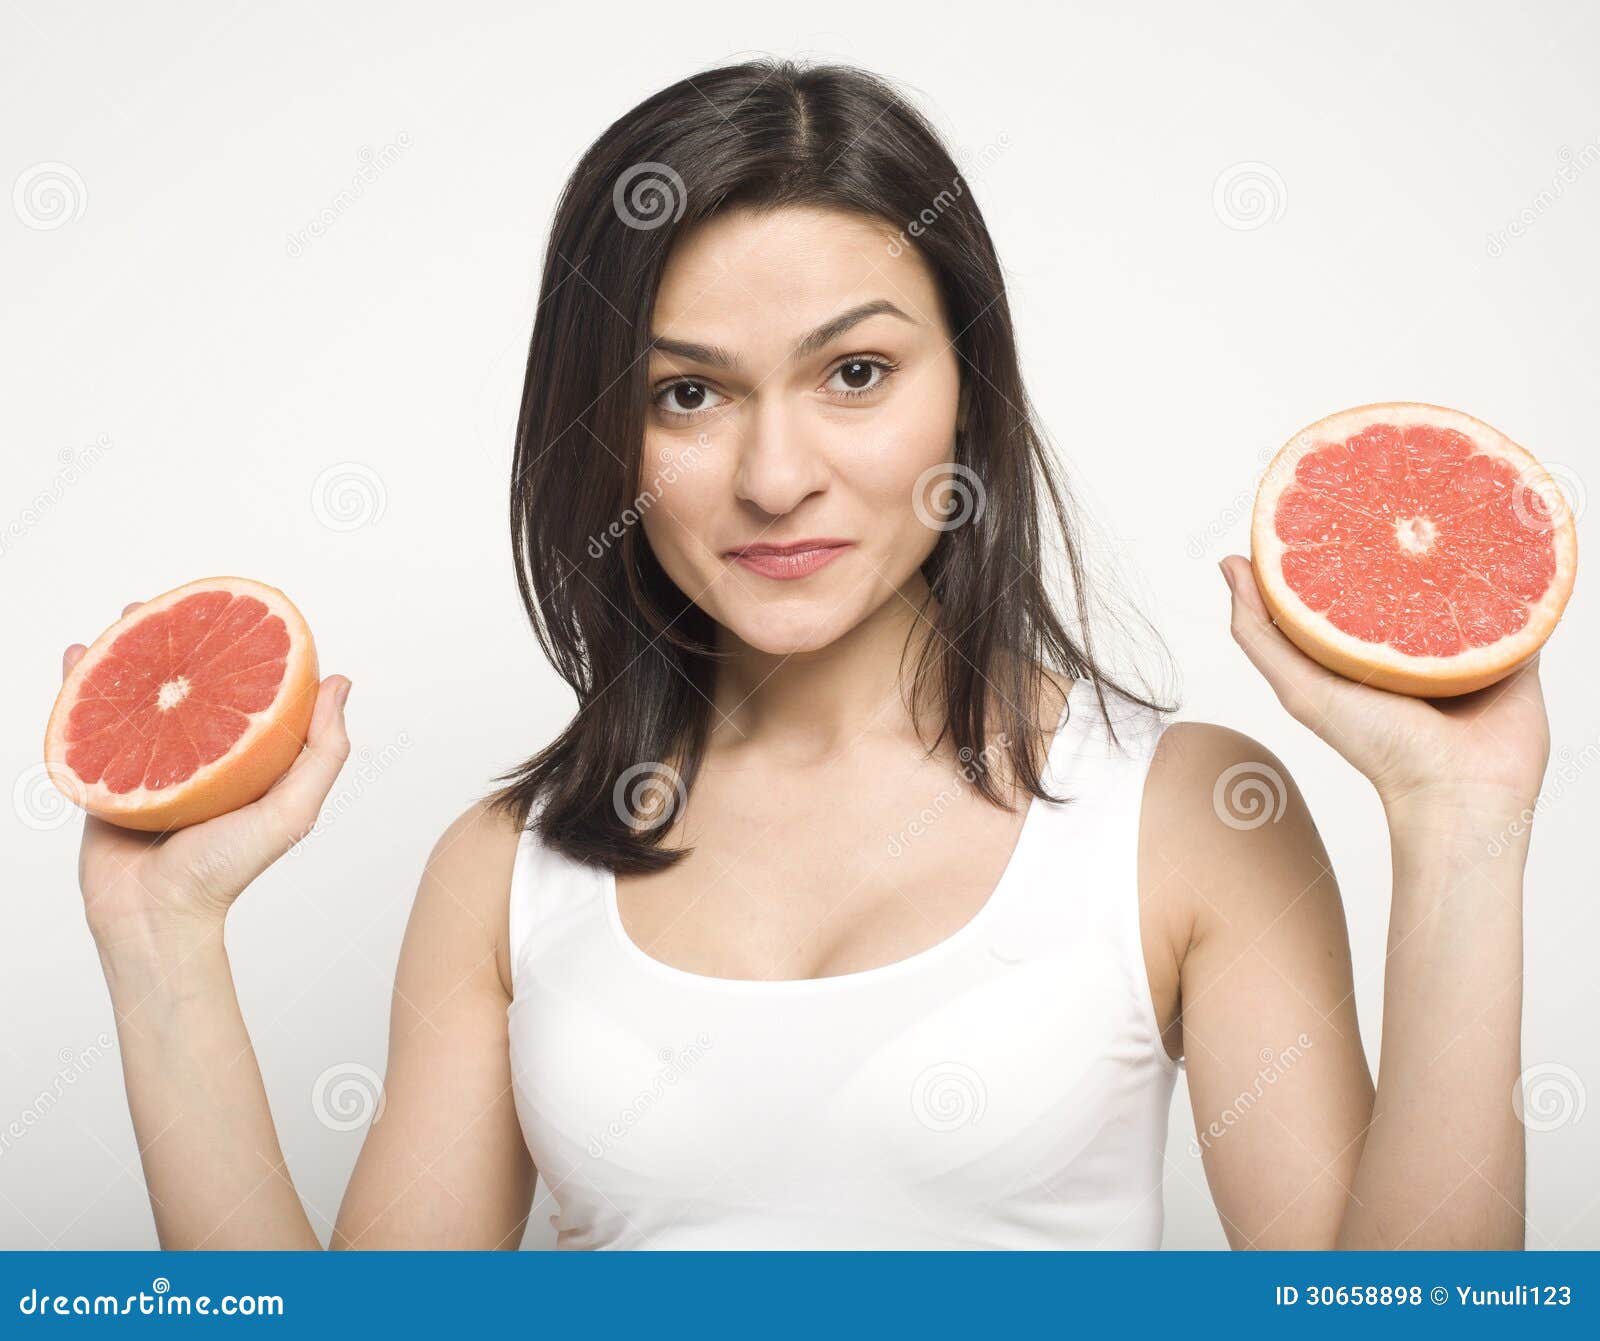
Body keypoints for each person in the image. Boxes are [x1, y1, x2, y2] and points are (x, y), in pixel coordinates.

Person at [71, 58, 1548, 1250]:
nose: (776, 476)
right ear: (604, 431)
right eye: (688, 394)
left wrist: (1461, 828)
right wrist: (161, 946)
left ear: (967, 395)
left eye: (856, 373)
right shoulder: (506, 866)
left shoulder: (1190, 821)